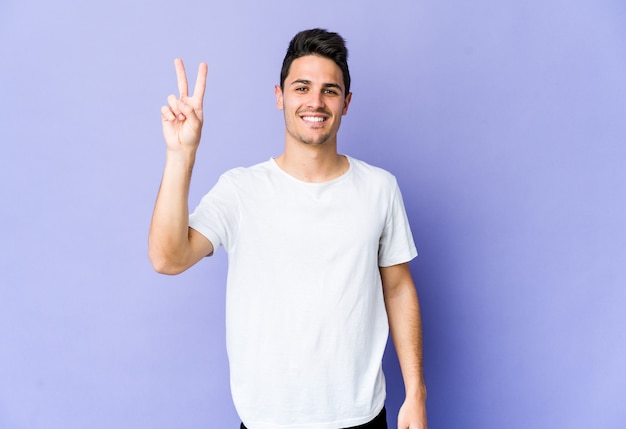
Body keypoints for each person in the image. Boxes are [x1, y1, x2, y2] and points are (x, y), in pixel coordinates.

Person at [149, 28, 428, 429]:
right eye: (301, 87)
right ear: (279, 96)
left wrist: (416, 393)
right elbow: (167, 258)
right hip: (267, 421)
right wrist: (181, 154)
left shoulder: (379, 188)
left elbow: (399, 287)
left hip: (360, 417)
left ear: (346, 103)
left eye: (330, 90)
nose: (315, 101)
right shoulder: (240, 190)